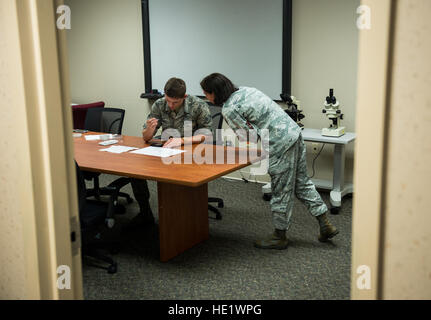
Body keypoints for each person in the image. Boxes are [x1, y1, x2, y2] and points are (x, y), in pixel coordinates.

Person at [200, 73, 339, 249]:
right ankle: (325, 224)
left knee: (281, 190)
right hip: (294, 134)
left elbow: (248, 136)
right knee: (302, 182)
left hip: (279, 143)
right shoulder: (246, 90)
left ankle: (279, 236)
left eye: (206, 93)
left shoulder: (229, 108)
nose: (206, 97)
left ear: (214, 92)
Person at [128, 77, 213, 227]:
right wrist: (150, 129)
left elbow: (208, 135)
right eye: (168, 100)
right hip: (166, 147)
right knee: (135, 171)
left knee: (176, 174)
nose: (170, 105)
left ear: (184, 97)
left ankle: (182, 217)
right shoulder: (159, 104)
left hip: (191, 149)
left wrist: (180, 141)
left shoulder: (197, 105)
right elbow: (146, 137)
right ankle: (145, 212)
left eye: (175, 102)